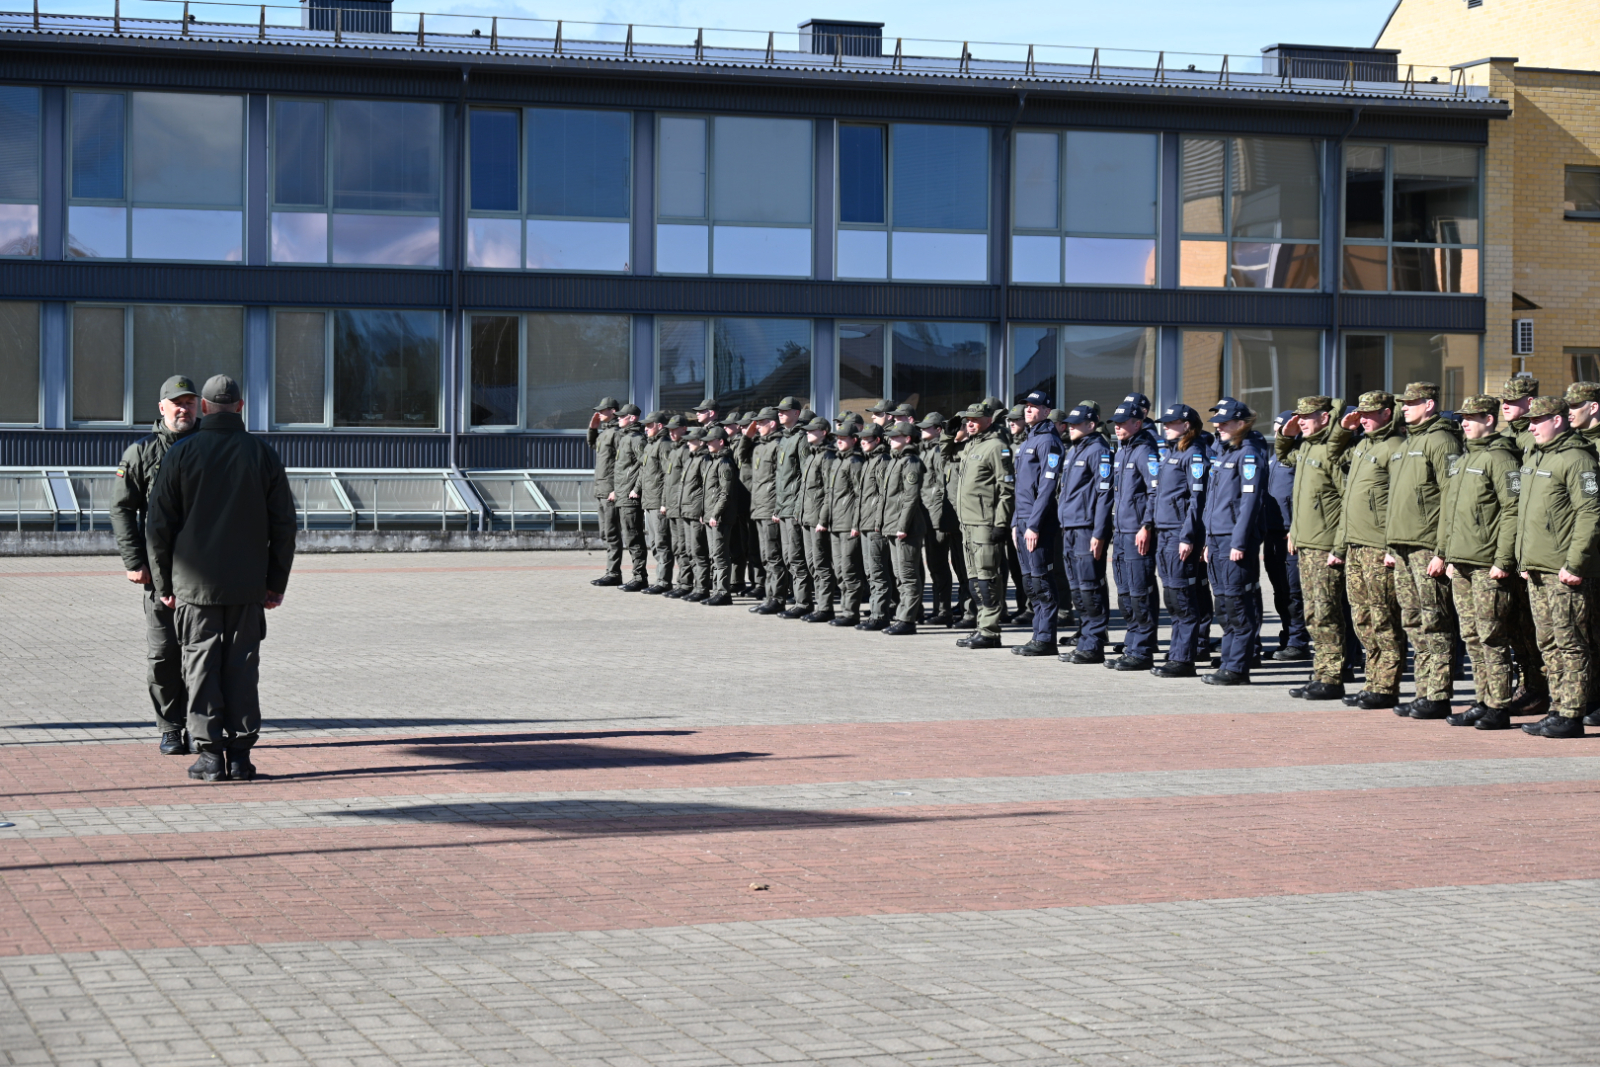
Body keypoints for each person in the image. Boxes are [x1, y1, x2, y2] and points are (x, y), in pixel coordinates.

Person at [145, 375, 295, 782]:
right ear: (241, 407)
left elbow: (157, 525)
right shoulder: (262, 453)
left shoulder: (181, 454)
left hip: (194, 589)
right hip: (248, 586)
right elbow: (284, 524)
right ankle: (242, 756)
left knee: (200, 667)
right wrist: (275, 583)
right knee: (243, 668)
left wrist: (164, 586)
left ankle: (210, 757)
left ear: (205, 407)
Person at [110, 374, 200, 756]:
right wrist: (134, 561)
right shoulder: (141, 452)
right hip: (159, 576)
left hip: (203, 575)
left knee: (202, 655)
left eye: (190, 402)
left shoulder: (211, 448)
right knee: (164, 656)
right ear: (162, 408)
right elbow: (122, 508)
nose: (184, 408)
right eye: (176, 403)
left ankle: (202, 726)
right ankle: (170, 727)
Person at [1434, 395, 1523, 729]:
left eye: (1471, 417)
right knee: (1471, 635)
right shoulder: (1463, 460)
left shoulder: (1501, 458)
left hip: (1488, 564)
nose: (1464, 423)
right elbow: (1449, 512)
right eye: (1462, 417)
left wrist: (1503, 559)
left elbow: (1512, 511)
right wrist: (1445, 554)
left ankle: (1498, 705)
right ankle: (1482, 699)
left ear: (1489, 419)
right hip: (1462, 563)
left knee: (1492, 636)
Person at [1514, 396, 1600, 738]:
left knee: (1571, 643)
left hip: (1563, 571)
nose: (1531, 426)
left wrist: (1575, 563)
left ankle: (1573, 712)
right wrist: (1523, 560)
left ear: (1559, 420)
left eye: (1539, 420)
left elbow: (1591, 513)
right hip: (1537, 567)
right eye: (1531, 421)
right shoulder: (1536, 456)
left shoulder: (1577, 459)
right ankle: (1558, 706)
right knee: (1548, 644)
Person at [1385, 382, 1463, 718]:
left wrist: (1442, 551)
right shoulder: (1410, 441)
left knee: (1436, 621)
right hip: (1403, 546)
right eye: (1404, 402)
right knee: (1413, 621)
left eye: (1412, 402)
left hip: (1426, 546)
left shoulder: (1442, 440)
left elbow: (1451, 496)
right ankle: (1423, 690)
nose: (1405, 407)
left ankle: (1439, 693)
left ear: (1429, 404)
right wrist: (1390, 544)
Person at [1275, 395, 1355, 700]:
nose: (1301, 421)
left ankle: (1332, 676)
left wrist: (1339, 547)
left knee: (1326, 613)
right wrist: (1286, 435)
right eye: (1299, 416)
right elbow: (1284, 458)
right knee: (1313, 613)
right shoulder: (1306, 446)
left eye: (1307, 417)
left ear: (1325, 418)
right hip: (1306, 544)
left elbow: (1347, 502)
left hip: (1325, 546)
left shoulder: (1331, 452)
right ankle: (1323, 672)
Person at [1334, 391, 1407, 710]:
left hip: (1378, 547)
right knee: (1361, 616)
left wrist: (1393, 546)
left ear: (1388, 413)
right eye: (1360, 411)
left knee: (1383, 617)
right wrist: (1344, 428)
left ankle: (1386, 686)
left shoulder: (1395, 447)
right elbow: (1333, 454)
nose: (1362, 416)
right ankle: (1372, 681)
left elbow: (1400, 503)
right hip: (1355, 545)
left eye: (1370, 412)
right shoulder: (1362, 444)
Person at [1201, 398, 1268, 686]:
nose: (1218, 426)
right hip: (1217, 538)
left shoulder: (1248, 454)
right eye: (1217, 422)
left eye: (1225, 422)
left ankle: (1237, 668)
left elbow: (1249, 504)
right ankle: (1229, 662)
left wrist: (1239, 543)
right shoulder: (1227, 453)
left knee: (1237, 604)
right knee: (1225, 605)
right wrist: (1207, 539)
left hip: (1233, 540)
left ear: (1241, 423)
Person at [950, 401, 1015, 648]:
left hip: (985, 523)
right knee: (974, 579)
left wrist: (1001, 523)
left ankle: (990, 631)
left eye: (975, 420)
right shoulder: (970, 446)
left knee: (988, 577)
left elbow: (1007, 489)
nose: (970, 423)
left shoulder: (997, 447)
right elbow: (946, 453)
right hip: (967, 522)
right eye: (968, 420)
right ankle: (981, 626)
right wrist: (950, 434)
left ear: (989, 420)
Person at [1150, 404, 1208, 678]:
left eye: (1171, 423)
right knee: (1172, 597)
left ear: (1187, 426)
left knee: (1182, 597)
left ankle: (1184, 660)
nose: (1165, 427)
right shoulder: (1174, 453)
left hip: (1178, 534)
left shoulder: (1193, 454)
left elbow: (1197, 502)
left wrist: (1188, 536)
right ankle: (1177, 653)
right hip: (1164, 532)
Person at [1055, 404, 1115, 665]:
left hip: (1087, 528)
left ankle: (1093, 643)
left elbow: (1104, 495)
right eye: (1069, 423)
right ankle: (1086, 637)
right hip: (1070, 527)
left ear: (1091, 425)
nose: (1070, 427)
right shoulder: (1073, 450)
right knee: (1078, 588)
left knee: (1090, 587)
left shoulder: (1098, 450)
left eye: (1076, 423)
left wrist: (1100, 533)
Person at [1105, 402, 1159, 671]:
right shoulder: (1122, 451)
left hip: (1137, 532)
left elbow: (1154, 492)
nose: (1117, 426)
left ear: (1137, 423)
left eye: (1123, 422)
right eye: (1115, 422)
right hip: (1121, 531)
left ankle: (1143, 650)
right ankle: (1132, 643)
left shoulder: (1144, 450)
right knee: (1125, 592)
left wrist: (1147, 525)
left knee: (1140, 592)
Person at [1012, 390, 1065, 656]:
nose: (1029, 410)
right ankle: (1037, 635)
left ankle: (1046, 639)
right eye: (1027, 406)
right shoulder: (1028, 439)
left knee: (1042, 581)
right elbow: (1020, 486)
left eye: (1035, 406)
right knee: (1030, 583)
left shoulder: (1048, 441)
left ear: (1047, 411)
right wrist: (1015, 522)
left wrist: (1033, 524)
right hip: (1021, 519)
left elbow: (1047, 487)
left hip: (1038, 521)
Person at [1263, 411, 1310, 660]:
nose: (1277, 429)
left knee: (1294, 591)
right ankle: (1287, 637)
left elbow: (1305, 496)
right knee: (1280, 591)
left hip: (1291, 534)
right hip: (1273, 532)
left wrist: (1297, 528)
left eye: (1281, 425)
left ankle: (1298, 641)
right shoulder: (1276, 456)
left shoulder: (1301, 454)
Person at [917, 413, 967, 626]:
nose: (922, 430)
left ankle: (951, 609)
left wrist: (938, 518)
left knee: (948, 565)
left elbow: (941, 487)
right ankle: (942, 608)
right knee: (937, 566)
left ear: (939, 429)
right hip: (931, 514)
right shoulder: (928, 450)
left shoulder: (938, 451)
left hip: (938, 516)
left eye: (928, 427)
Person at [881, 421, 928, 635]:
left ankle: (907, 620)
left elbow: (910, 497)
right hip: (892, 525)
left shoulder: (911, 462)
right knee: (900, 575)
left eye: (895, 436)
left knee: (908, 574)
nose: (890, 439)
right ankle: (903, 615)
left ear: (907, 439)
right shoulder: (896, 461)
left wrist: (902, 526)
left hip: (905, 528)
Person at [823, 421, 866, 627]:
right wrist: (824, 520)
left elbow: (860, 496)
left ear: (854, 440)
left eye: (843, 438)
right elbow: (830, 494)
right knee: (839, 570)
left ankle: (851, 613)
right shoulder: (839, 461)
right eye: (837, 438)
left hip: (848, 523)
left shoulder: (854, 462)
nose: (838, 441)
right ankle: (846, 610)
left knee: (849, 569)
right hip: (835, 523)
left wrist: (856, 524)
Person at [773, 397, 814, 619]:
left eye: (784, 411)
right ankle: (798, 599)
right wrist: (778, 508)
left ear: (797, 413)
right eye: (778, 411)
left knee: (796, 557)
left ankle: (803, 602)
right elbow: (781, 478)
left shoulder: (801, 439)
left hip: (795, 509)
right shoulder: (784, 439)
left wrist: (798, 509)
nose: (780, 413)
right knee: (788, 556)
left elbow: (805, 478)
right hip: (784, 507)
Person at [798, 416, 838, 622]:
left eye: (812, 430)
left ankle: (825, 608)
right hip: (807, 517)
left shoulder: (828, 457)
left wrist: (823, 519)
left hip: (818, 519)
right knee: (812, 563)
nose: (807, 433)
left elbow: (829, 492)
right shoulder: (812, 455)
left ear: (823, 432)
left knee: (821, 563)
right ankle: (818, 605)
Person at [856, 422, 895, 630]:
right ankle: (875, 612)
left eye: (866, 439)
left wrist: (878, 523)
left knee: (878, 571)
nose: (862, 443)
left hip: (875, 526)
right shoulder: (869, 461)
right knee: (871, 572)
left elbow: (883, 497)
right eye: (861, 439)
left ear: (877, 441)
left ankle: (880, 615)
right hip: (866, 524)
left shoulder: (882, 461)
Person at [746, 408, 785, 614]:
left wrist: (778, 508)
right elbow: (741, 456)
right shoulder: (759, 446)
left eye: (760, 423)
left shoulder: (777, 445)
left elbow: (782, 480)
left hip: (769, 507)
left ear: (771, 423)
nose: (757, 426)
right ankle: (770, 596)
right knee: (764, 556)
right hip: (758, 507)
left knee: (773, 556)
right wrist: (748, 435)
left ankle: (777, 598)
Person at [610, 404, 651, 592]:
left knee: (634, 536)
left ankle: (640, 577)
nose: (618, 419)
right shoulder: (626, 438)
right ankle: (637, 575)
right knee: (629, 536)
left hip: (631, 496)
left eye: (622, 416)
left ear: (632, 418)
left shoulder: (636, 439)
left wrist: (636, 488)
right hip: (622, 494)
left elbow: (645, 466)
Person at [587, 397, 624, 586]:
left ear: (613, 411)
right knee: (605, 533)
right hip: (600, 490)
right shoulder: (604, 433)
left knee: (612, 533)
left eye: (603, 411)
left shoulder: (617, 433)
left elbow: (623, 463)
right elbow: (593, 445)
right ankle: (611, 571)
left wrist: (617, 489)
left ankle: (614, 573)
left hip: (610, 490)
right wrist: (592, 428)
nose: (599, 414)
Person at [700, 426, 737, 605]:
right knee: (714, 555)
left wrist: (715, 514)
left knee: (720, 556)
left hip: (720, 518)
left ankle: (723, 593)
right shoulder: (714, 461)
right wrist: (704, 513)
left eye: (710, 440)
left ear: (720, 442)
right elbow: (709, 492)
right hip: (711, 516)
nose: (707, 444)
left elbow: (725, 493)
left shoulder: (724, 463)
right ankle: (716, 590)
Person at [638, 412, 674, 594]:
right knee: (654, 542)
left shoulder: (664, 445)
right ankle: (660, 579)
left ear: (659, 426)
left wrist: (665, 502)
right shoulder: (651, 446)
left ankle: (664, 581)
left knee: (662, 543)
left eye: (649, 425)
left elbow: (669, 476)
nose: (645, 429)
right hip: (649, 501)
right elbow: (645, 473)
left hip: (659, 502)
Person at [677, 428, 710, 601]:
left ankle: (702, 588)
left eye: (692, 440)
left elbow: (708, 487)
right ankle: (696, 586)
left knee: (699, 551)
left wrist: (704, 511)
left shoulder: (703, 459)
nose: (688, 443)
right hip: (687, 511)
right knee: (690, 550)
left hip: (696, 511)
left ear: (702, 441)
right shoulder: (692, 458)